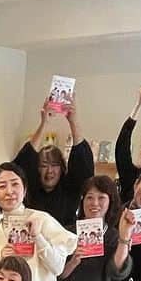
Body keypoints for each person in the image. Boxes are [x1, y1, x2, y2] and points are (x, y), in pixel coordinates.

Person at [58, 176, 134, 281]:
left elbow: (117, 272)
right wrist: (73, 262)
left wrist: (124, 239)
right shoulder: (66, 233)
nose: (94, 203)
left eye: (101, 198)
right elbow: (57, 277)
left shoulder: (114, 236)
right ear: (82, 201)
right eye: (89, 198)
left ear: (110, 201)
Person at [13, 91, 94, 228]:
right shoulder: (29, 188)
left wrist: (73, 122)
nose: (49, 170)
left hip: (64, 246)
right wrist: (44, 123)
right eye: (44, 165)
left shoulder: (70, 188)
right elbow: (19, 166)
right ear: (37, 168)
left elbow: (84, 168)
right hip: (32, 244)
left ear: (62, 168)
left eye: (54, 165)